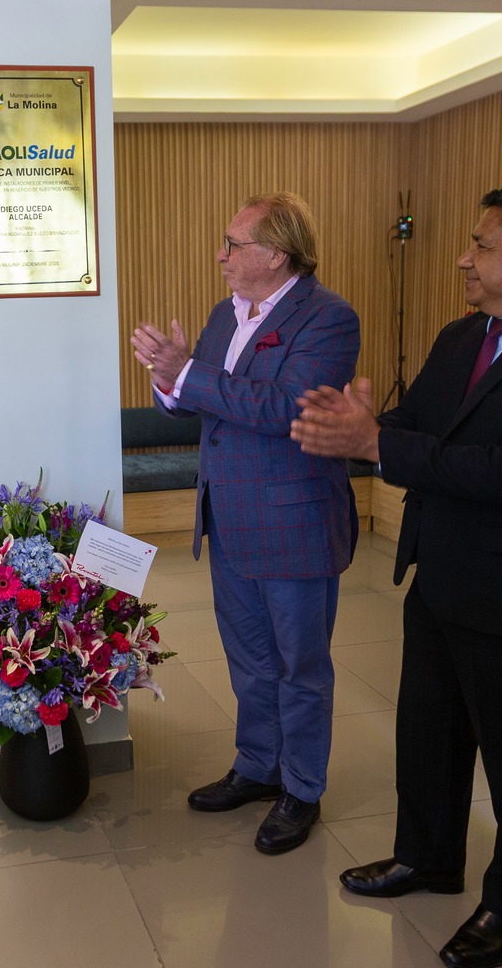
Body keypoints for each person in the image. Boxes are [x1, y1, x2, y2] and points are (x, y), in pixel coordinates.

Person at [292, 180, 502, 968]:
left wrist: (377, 444)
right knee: (429, 731)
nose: (463, 259)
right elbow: (415, 427)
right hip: (442, 570)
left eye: (481, 245)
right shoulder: (462, 336)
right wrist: (357, 428)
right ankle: (427, 856)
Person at [130, 192, 360, 856]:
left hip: (293, 525)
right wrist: (169, 379)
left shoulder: (328, 318)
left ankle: (302, 788)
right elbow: (194, 403)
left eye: (234, 244)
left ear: (277, 254)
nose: (220, 256)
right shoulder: (222, 313)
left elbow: (288, 407)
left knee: (300, 667)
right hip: (227, 518)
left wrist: (189, 374)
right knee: (251, 660)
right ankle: (258, 766)